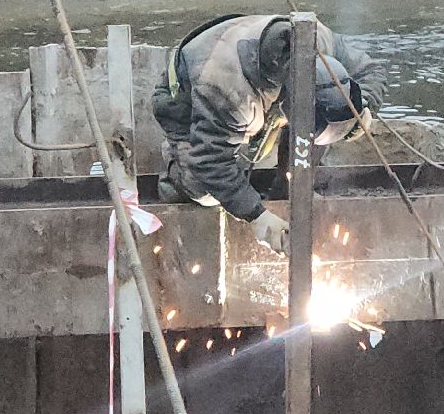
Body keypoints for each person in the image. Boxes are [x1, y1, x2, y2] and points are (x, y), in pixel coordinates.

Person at [151, 14, 383, 250]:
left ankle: (282, 188)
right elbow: (210, 162)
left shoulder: (317, 42)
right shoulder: (230, 92)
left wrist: (361, 109)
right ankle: (174, 170)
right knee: (205, 191)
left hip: (254, 77)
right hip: (184, 96)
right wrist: (256, 215)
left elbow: (371, 70)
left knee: (297, 145)